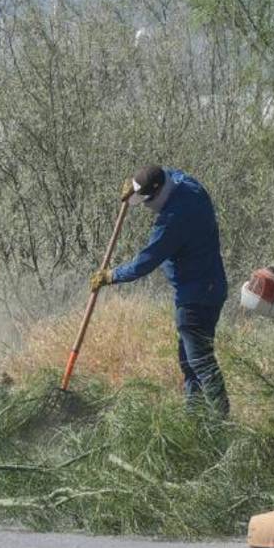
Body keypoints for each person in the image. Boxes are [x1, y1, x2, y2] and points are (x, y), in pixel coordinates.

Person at [90, 166, 230, 417]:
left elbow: (145, 263)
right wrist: (134, 185)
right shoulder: (185, 184)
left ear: (158, 195)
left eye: (145, 201)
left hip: (197, 297)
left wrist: (111, 276)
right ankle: (194, 419)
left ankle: (221, 423)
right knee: (189, 363)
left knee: (201, 364)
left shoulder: (174, 220)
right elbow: (165, 172)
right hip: (210, 287)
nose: (144, 207)